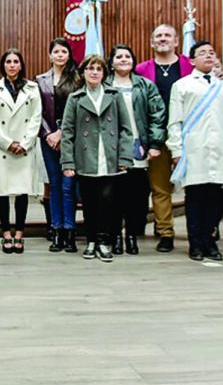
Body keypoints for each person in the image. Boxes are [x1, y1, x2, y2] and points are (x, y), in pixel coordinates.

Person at [166, 41, 223, 262]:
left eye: (211, 53)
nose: (208, 56)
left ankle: (210, 241)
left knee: (216, 199)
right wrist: (176, 150)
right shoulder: (182, 85)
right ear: (192, 60)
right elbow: (175, 122)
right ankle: (196, 243)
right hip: (193, 150)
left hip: (219, 150)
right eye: (202, 53)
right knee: (195, 198)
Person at [61, 54, 133, 262]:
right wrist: (67, 162)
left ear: (104, 73)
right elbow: (67, 133)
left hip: (109, 157)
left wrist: (125, 157)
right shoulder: (75, 98)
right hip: (86, 158)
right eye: (90, 68)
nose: (94, 72)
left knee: (107, 201)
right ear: (83, 72)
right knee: (90, 202)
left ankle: (104, 241)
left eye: (98, 69)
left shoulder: (114, 95)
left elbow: (126, 129)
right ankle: (91, 241)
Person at [134, 24, 194, 253]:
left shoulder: (191, 66)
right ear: (152, 42)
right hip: (156, 138)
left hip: (188, 137)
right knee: (160, 188)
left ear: (176, 41)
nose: (163, 39)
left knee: (195, 186)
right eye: (158, 36)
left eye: (167, 35)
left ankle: (200, 231)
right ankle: (166, 232)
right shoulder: (141, 70)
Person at [106, 44, 165, 255]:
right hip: (111, 147)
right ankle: (115, 238)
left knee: (134, 196)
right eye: (119, 56)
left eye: (127, 56)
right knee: (113, 196)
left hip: (138, 147)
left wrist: (156, 143)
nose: (124, 59)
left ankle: (131, 236)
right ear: (111, 63)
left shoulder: (145, 85)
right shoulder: (103, 85)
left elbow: (157, 115)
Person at [0, 48, 41, 254]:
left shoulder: (32, 88)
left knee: (22, 192)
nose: (12, 65)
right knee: (1, 191)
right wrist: (8, 143)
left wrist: (24, 143)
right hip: (2, 148)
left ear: (21, 64)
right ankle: (6, 233)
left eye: (16, 61)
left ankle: (19, 233)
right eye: (8, 61)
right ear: (3, 65)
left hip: (25, 147)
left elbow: (36, 118)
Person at [36, 38, 80, 253]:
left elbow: (79, 110)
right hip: (47, 141)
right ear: (50, 55)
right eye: (56, 51)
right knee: (54, 186)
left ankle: (70, 231)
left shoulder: (78, 78)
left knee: (68, 187)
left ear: (69, 55)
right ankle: (56, 231)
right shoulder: (40, 80)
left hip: (72, 140)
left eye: (64, 51)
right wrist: (49, 135)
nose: (60, 55)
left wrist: (62, 134)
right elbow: (38, 112)